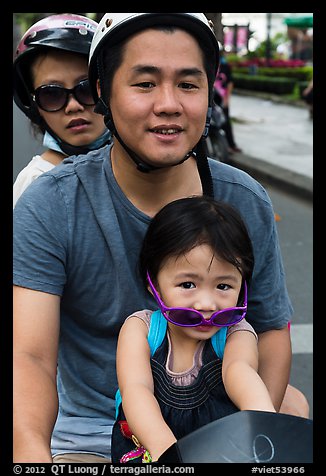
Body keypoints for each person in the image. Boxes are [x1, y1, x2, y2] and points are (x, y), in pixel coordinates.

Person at [13, 13, 308, 463]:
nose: (169, 104)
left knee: (292, 407)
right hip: (99, 432)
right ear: (102, 93)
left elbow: (268, 329)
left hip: (219, 420)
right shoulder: (50, 204)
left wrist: (249, 443)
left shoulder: (244, 199)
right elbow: (30, 358)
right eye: (145, 83)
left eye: (188, 84)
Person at [112, 196, 276, 463]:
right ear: (152, 282)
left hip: (221, 454)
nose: (206, 304)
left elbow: (241, 373)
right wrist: (170, 454)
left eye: (223, 286)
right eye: (188, 284)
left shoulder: (237, 333)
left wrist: (267, 425)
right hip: (155, 451)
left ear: (242, 286)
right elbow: (136, 391)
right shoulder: (140, 329)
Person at [13, 14, 111, 207]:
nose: (73, 106)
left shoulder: (141, 168)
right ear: (33, 106)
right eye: (51, 94)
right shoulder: (34, 184)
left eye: (87, 89)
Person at [213, 49, 242, 154]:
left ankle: (231, 145)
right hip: (210, 98)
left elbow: (229, 83)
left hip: (221, 99)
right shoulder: (209, 64)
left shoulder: (225, 66)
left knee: (225, 121)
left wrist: (226, 99)